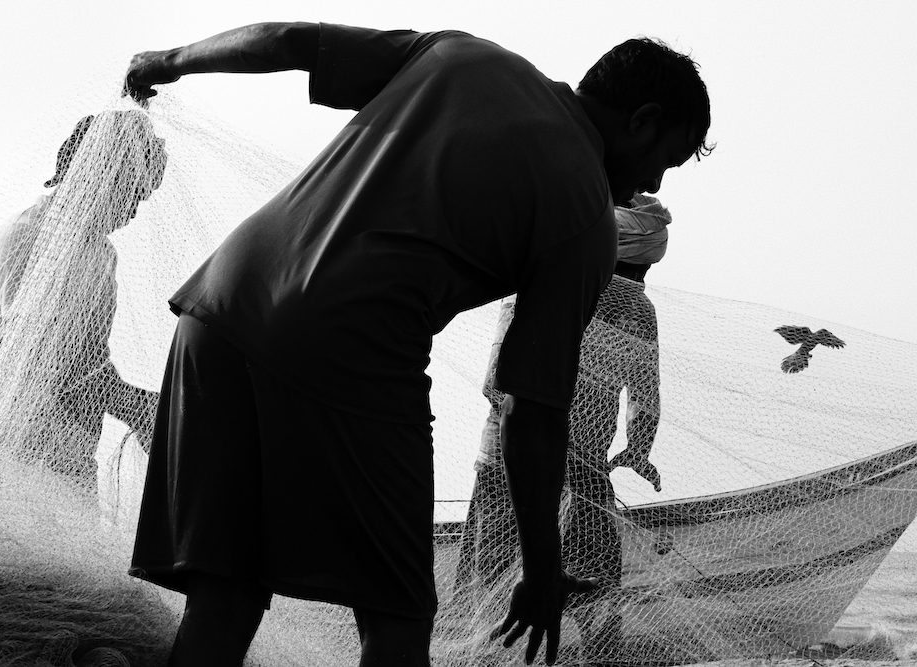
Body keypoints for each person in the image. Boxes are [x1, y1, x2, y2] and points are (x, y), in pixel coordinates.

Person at [123, 22, 710, 667]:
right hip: (349, 344)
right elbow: (531, 408)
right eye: (667, 161)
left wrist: (169, 61)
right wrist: (543, 571)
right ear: (644, 121)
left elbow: (286, 40)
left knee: (226, 591)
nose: (652, 184)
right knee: (398, 617)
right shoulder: (584, 218)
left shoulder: (463, 54)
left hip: (220, 306)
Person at [453, 194, 671, 662]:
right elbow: (498, 383)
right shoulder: (605, 302)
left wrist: (634, 447)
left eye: (642, 276)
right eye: (637, 273)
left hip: (549, 468)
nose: (637, 284)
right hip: (532, 469)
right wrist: (629, 447)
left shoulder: (601, 299)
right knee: (528, 589)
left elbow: (643, 394)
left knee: (565, 586)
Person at [0, 110, 167, 491]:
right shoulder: (26, 235)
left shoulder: (101, 255)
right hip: (17, 443)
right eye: (130, 193)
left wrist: (137, 406)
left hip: (74, 447)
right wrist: (135, 406)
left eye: (141, 198)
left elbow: (91, 355)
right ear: (97, 175)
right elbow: (46, 357)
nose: (132, 211)